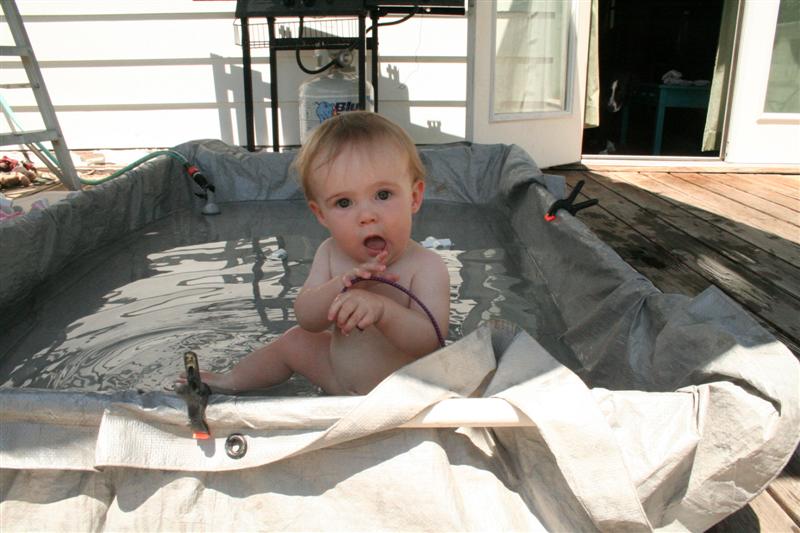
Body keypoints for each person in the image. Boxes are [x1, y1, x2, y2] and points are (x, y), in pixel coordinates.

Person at [189, 111, 450, 395]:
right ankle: (231, 381)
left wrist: (383, 310)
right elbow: (308, 318)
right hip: (337, 378)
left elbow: (431, 340)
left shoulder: (426, 266)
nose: (366, 216)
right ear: (321, 214)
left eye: (383, 195)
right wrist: (340, 286)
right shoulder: (330, 253)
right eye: (344, 202)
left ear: (414, 197)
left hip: (398, 393)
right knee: (294, 341)